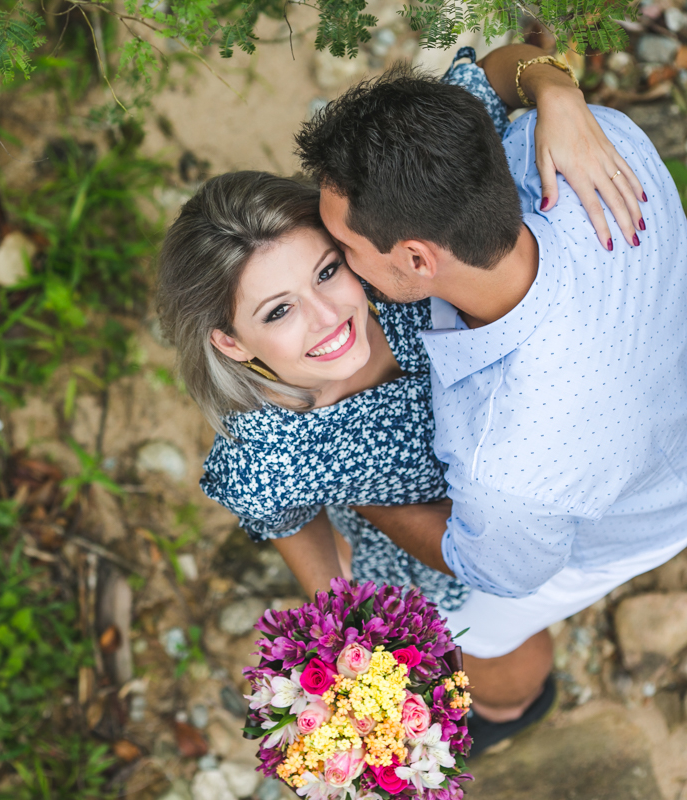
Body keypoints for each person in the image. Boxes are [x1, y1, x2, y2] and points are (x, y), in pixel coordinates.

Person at [293, 42, 687, 751]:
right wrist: (557, 89)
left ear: (417, 259)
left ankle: (513, 708)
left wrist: (350, 479)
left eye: (344, 251)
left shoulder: (506, 463)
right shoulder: (583, 142)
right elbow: (506, 66)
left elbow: (494, 570)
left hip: (634, 516)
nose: (337, 263)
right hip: (659, 379)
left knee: (471, 635)